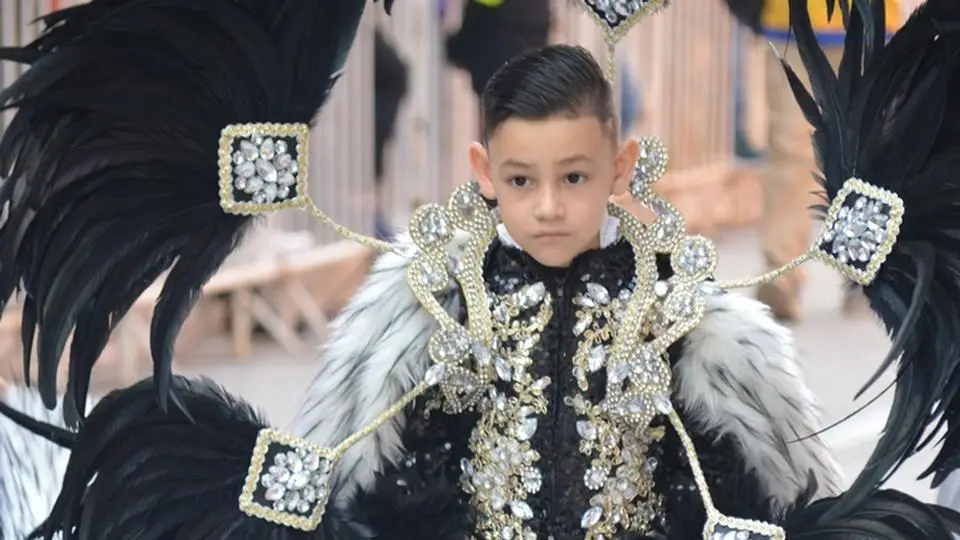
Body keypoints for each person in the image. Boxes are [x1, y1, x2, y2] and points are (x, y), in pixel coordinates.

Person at [1, 1, 960, 539]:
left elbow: (777, 479)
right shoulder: (421, 300)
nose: (547, 206)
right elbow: (349, 474)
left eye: (575, 178)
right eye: (522, 180)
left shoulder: (695, 318)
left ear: (623, 172)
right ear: (482, 173)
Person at [723, 0, 903, 320]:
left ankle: (861, 268)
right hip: (792, 21)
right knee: (790, 152)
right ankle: (780, 273)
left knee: (863, 156)